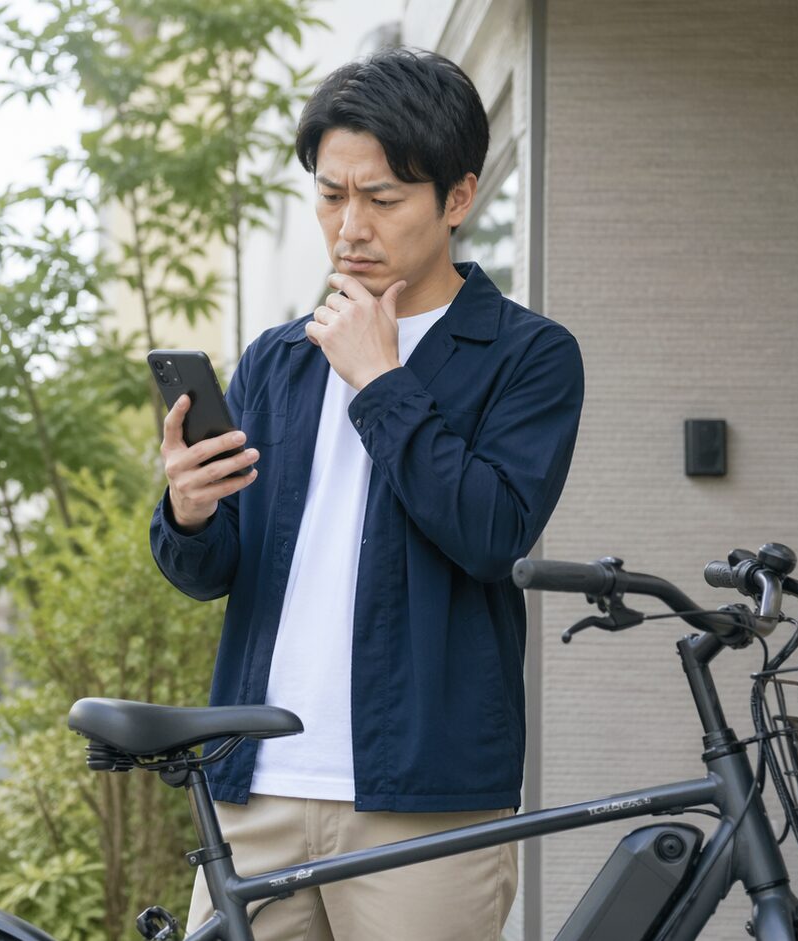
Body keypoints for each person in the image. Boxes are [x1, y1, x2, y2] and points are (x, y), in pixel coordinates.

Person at [151, 46, 585, 941]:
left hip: (424, 801)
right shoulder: (279, 359)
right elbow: (215, 570)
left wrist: (381, 380)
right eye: (330, 194)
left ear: (458, 198)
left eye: (382, 199)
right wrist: (188, 511)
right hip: (256, 788)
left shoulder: (529, 355)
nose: (350, 226)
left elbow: (491, 533)